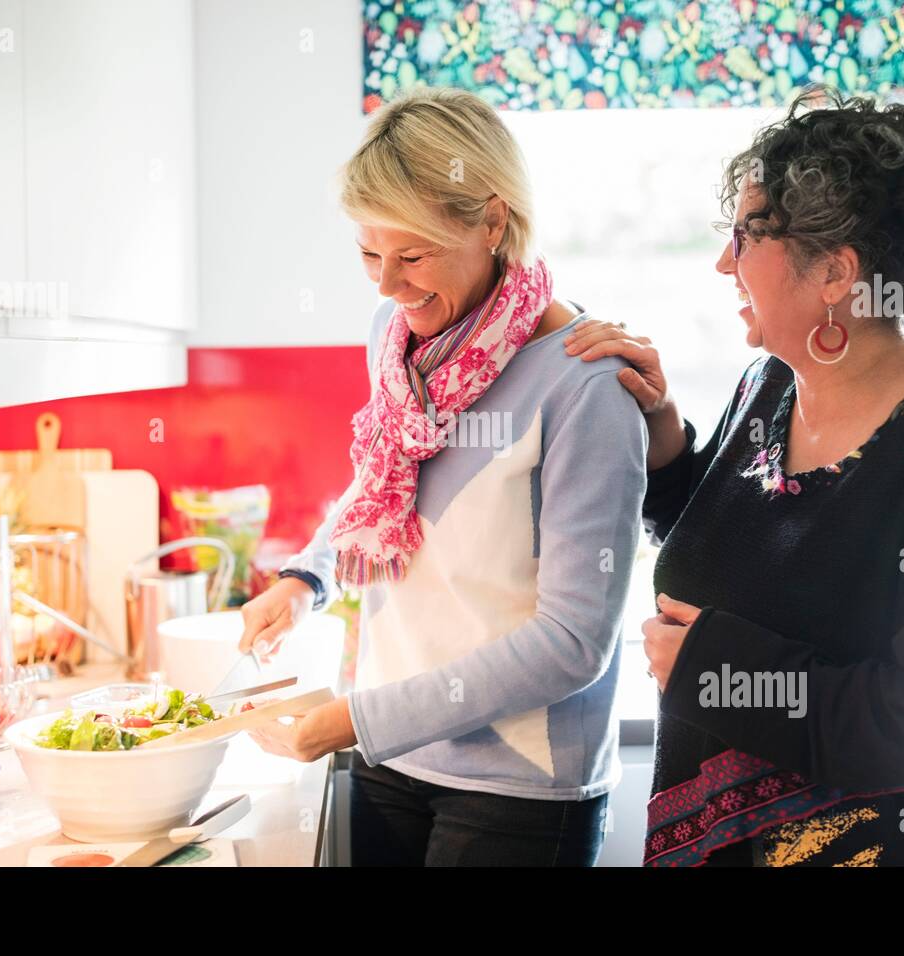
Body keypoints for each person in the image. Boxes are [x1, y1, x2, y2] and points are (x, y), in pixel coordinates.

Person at [569, 88, 904, 866]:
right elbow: (726, 545)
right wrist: (662, 430)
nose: (724, 262)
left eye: (746, 237)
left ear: (834, 275)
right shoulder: (768, 389)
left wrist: (717, 671)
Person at [238, 87, 647, 866]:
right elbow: (381, 477)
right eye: (368, 253)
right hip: (393, 754)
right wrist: (306, 577)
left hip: (516, 789)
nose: (387, 286)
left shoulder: (586, 385)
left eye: (413, 255)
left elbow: (572, 644)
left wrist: (357, 719)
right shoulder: (398, 340)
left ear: (494, 222)